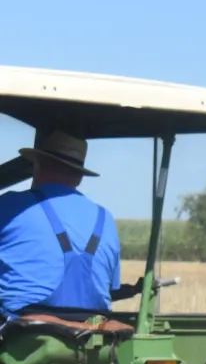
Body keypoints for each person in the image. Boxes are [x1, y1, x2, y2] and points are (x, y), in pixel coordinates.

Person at [0, 130, 122, 319]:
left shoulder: (9, 205)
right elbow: (111, 287)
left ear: (37, 166)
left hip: (19, 333)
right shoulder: (105, 218)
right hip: (92, 331)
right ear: (80, 177)